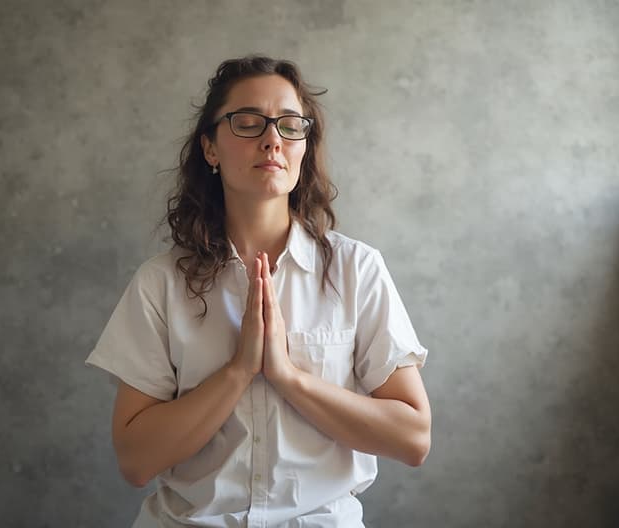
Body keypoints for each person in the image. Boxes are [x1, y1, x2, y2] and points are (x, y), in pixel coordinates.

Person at [85, 55, 431, 528]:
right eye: (248, 123)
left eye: (290, 125)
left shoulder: (357, 270)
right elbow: (135, 460)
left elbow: (413, 438)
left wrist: (288, 377)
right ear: (210, 148)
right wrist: (239, 370)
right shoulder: (160, 283)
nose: (272, 139)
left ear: (304, 146)